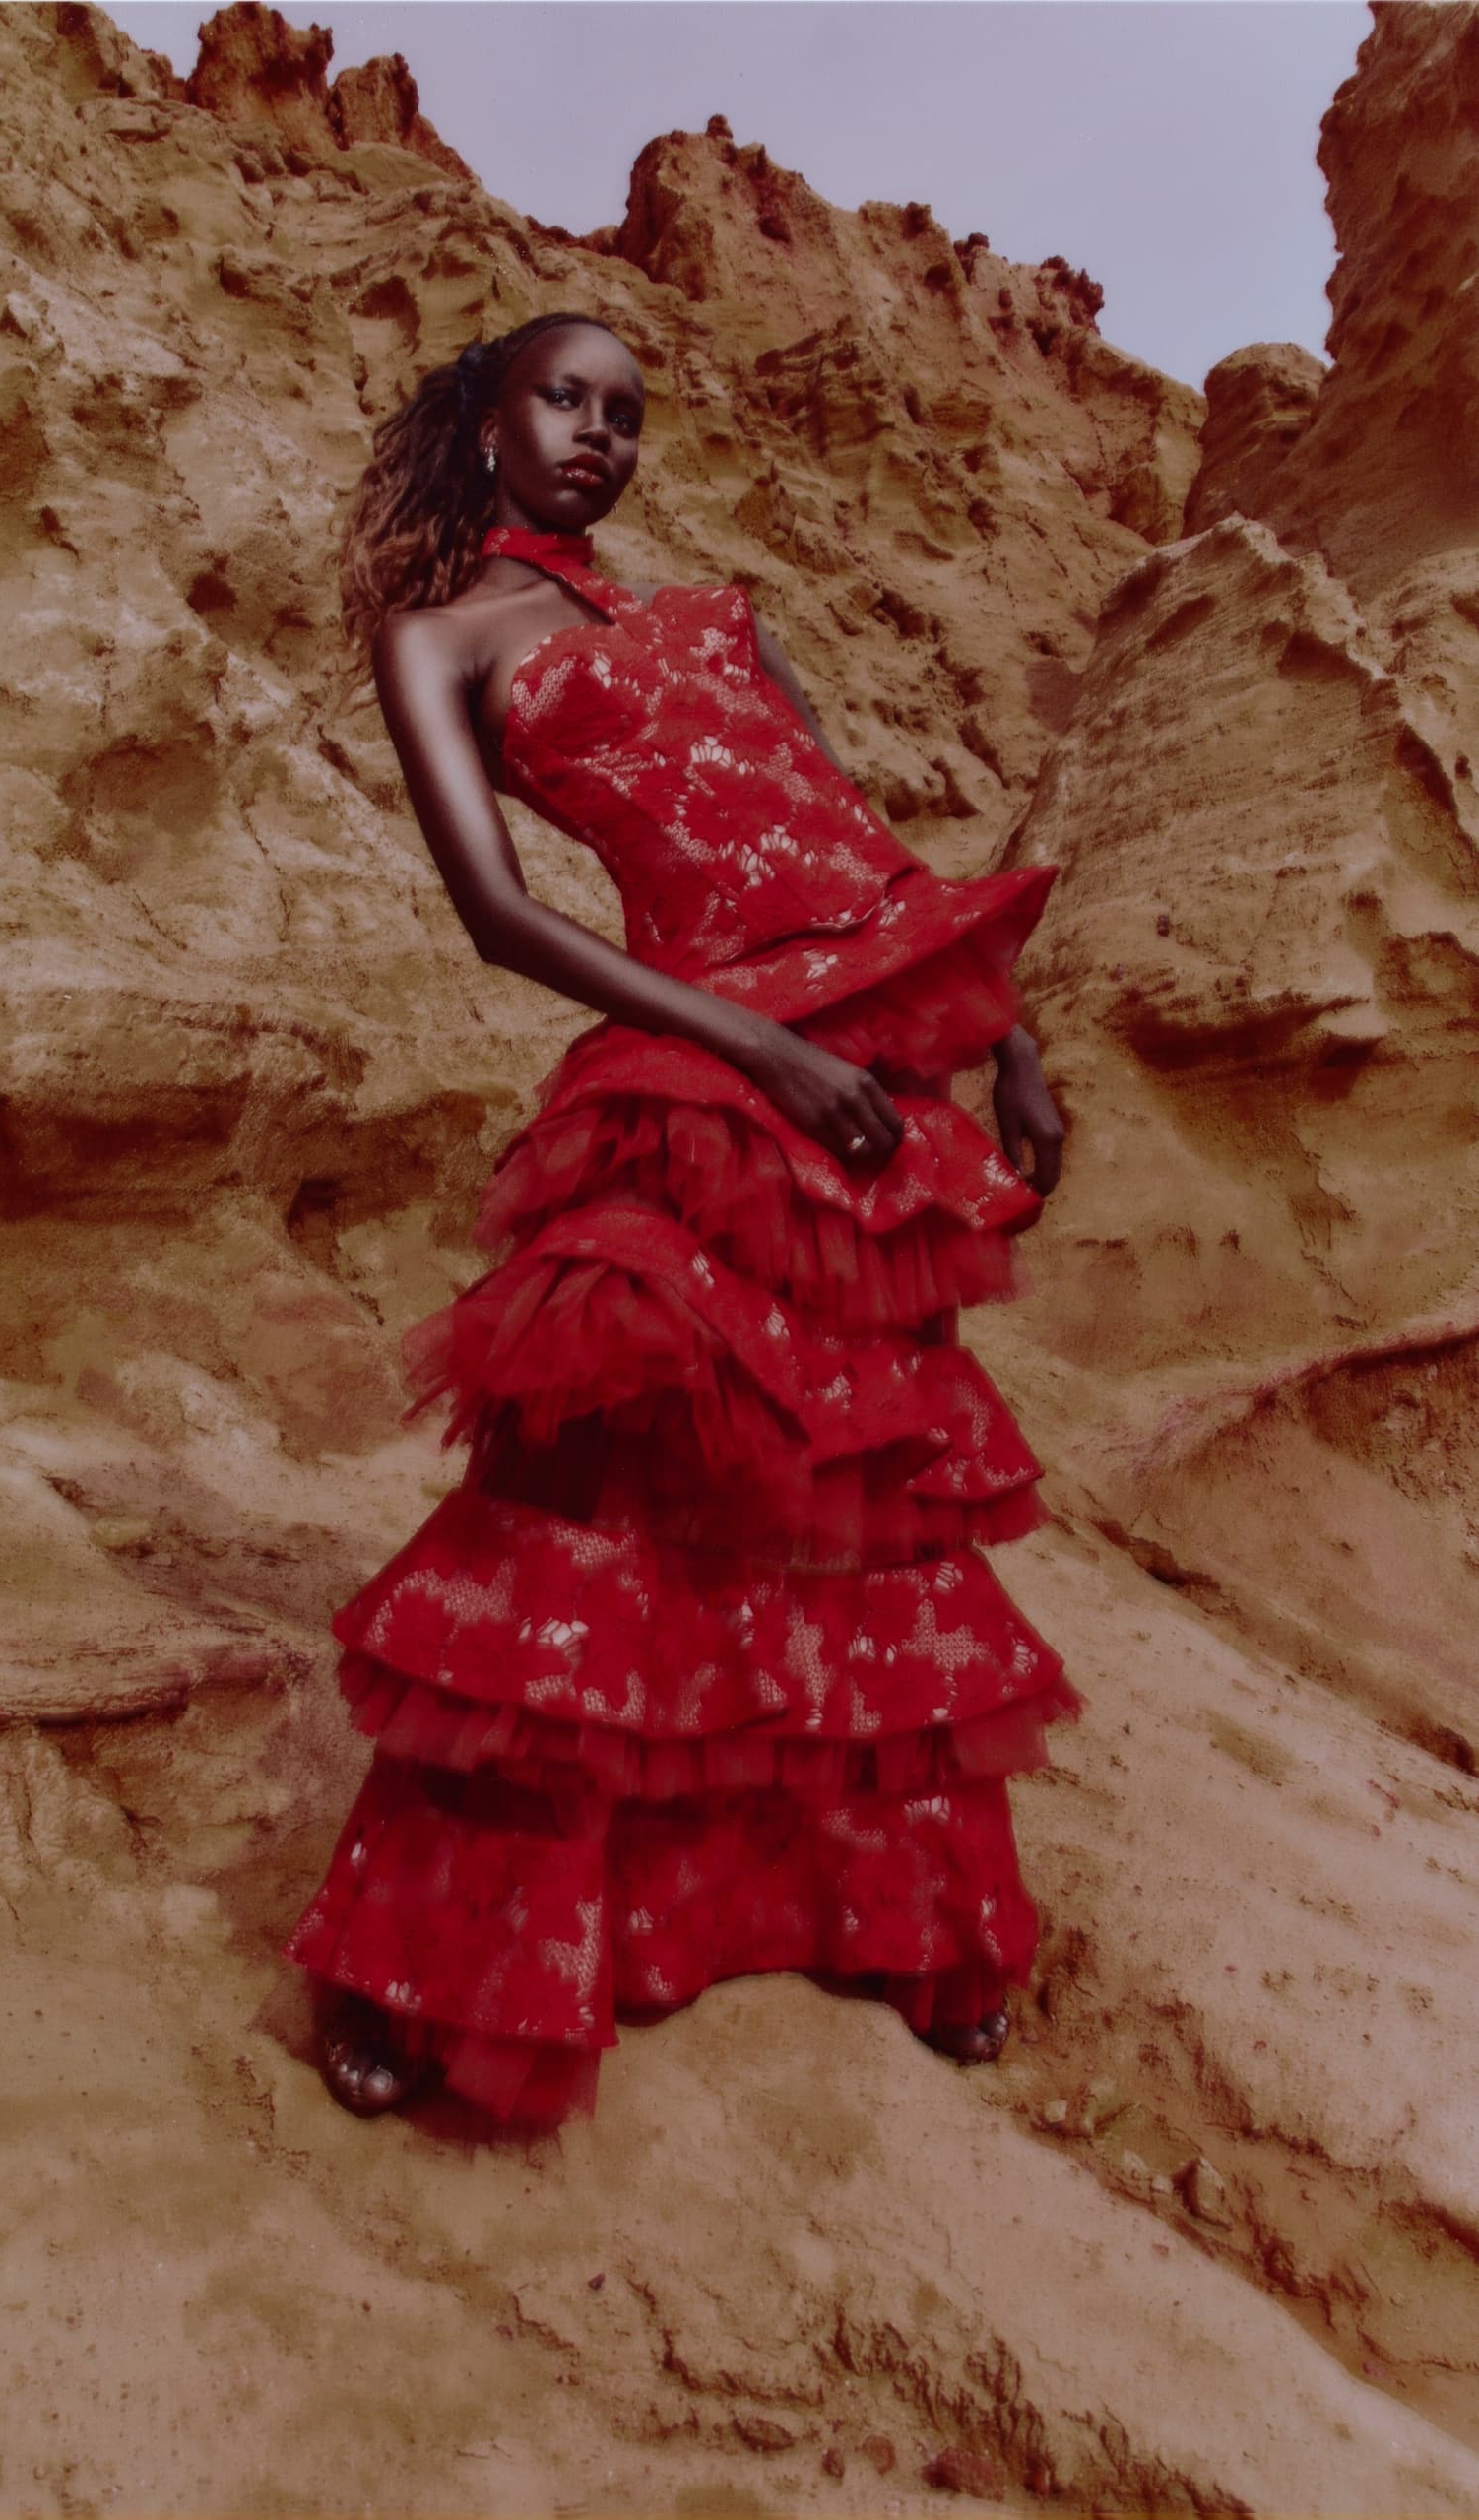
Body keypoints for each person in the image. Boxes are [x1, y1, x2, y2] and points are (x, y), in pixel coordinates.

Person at [285, 306, 1076, 2126]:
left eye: (627, 414)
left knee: (862, 1517)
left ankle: (886, 1915)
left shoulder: (711, 621)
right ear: (488, 420)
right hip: (701, 1061)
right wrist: (755, 1049)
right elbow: (497, 915)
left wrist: (1009, 1037)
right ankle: (432, 1977)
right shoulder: (436, 637)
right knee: (580, 1512)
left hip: (871, 1068)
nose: (597, 434)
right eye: (563, 398)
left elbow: (848, 834)